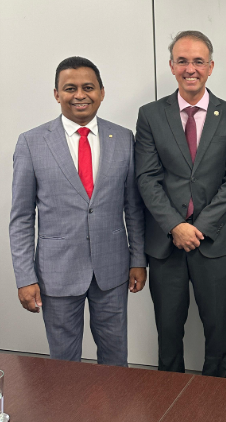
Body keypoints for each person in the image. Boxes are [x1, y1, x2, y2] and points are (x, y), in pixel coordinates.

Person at [9, 56, 146, 366]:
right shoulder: (31, 142)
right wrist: (24, 277)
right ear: (57, 94)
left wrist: (138, 259)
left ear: (101, 92)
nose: (80, 95)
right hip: (56, 272)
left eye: (88, 87)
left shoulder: (123, 138)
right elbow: (21, 218)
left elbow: (134, 208)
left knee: (115, 359)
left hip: (112, 270)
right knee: (63, 364)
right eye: (70, 88)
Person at [135, 31, 226, 376]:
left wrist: (199, 228)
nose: (190, 68)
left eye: (198, 61)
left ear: (211, 67)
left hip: (214, 243)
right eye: (182, 61)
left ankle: (215, 400)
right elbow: (146, 178)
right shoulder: (151, 115)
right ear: (171, 66)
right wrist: (175, 226)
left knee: (217, 334)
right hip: (165, 244)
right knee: (168, 334)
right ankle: (168, 399)